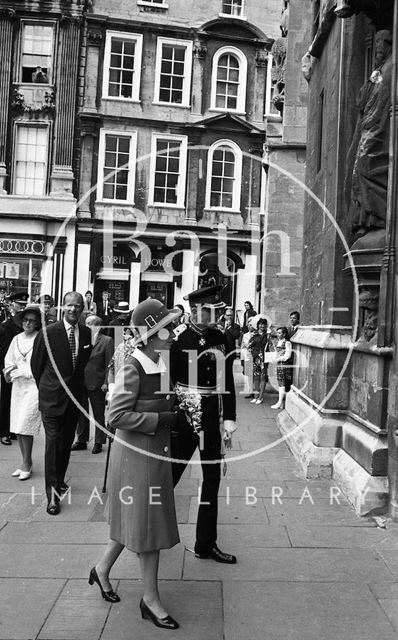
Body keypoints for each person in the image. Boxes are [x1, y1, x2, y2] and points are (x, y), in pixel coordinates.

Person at [90, 299, 182, 629]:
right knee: (148, 528)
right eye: (167, 328)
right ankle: (150, 599)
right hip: (136, 460)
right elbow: (114, 416)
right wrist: (162, 418)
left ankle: (101, 570)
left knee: (136, 521)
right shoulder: (134, 366)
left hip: (152, 456)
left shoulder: (159, 360)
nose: (173, 333)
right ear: (151, 334)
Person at [170, 285, 237, 564]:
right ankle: (145, 532)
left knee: (211, 481)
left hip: (211, 417)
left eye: (216, 311)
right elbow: (167, 383)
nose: (214, 316)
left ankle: (205, 544)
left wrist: (230, 418)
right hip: (184, 418)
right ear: (195, 311)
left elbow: (227, 381)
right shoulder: (176, 338)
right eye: (209, 311)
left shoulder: (221, 338)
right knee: (168, 478)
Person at [31, 292, 92, 515]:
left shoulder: (86, 333)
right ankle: (52, 496)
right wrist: (48, 389)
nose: (73, 310)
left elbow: (81, 366)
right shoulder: (49, 333)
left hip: (73, 400)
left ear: (83, 308)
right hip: (51, 399)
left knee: (65, 444)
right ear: (62, 307)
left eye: (77, 306)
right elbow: (36, 366)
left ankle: (60, 479)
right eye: (69, 306)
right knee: (53, 443)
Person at [4, 305, 42, 479]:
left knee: (26, 423)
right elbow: (9, 359)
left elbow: (42, 365)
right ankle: (25, 461)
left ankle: (27, 463)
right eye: (26, 320)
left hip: (33, 387)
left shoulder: (40, 338)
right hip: (18, 386)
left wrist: (26, 372)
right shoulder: (16, 338)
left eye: (32, 321)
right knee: (18, 426)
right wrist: (10, 371)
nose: (28, 323)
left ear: (37, 323)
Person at [71, 316, 113, 454]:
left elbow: (109, 365)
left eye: (90, 323)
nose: (86, 325)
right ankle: (81, 440)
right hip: (80, 381)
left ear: (98, 326)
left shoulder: (107, 341)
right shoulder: (81, 339)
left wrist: (107, 382)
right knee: (80, 412)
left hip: (97, 382)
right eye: (86, 323)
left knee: (98, 413)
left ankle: (99, 442)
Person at [0, 292, 29, 445]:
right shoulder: (6, 326)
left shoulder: (26, 324)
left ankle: (12, 429)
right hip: (9, 369)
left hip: (23, 369)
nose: (22, 307)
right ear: (12, 304)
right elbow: (3, 351)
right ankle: (3, 431)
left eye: (24, 305)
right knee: (6, 399)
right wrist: (5, 370)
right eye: (19, 304)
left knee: (18, 399)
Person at [247, 316, 271, 405]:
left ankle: (261, 397)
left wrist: (269, 337)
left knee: (263, 377)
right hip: (256, 357)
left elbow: (271, 346)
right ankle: (256, 396)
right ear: (257, 325)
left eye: (263, 324)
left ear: (266, 326)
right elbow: (249, 345)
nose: (262, 326)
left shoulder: (268, 335)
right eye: (260, 324)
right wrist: (251, 352)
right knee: (256, 377)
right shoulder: (254, 335)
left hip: (264, 358)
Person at [271, 326, 293, 410]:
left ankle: (280, 402)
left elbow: (288, 355)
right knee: (280, 383)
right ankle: (280, 403)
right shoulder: (278, 342)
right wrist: (273, 358)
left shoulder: (287, 343)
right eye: (277, 333)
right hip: (278, 364)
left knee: (282, 383)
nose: (278, 334)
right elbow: (276, 352)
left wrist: (278, 359)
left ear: (284, 334)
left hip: (283, 365)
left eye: (279, 333)